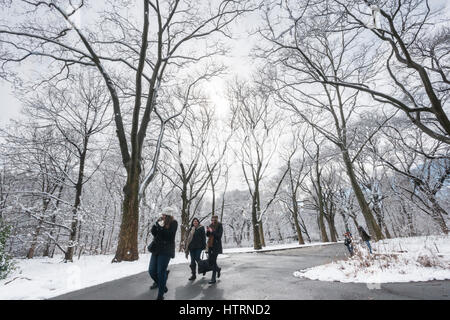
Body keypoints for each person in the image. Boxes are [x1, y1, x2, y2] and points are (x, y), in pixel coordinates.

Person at [148, 208, 178, 300]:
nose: (162, 216)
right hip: (156, 249)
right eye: (162, 214)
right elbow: (154, 233)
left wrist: (161, 228)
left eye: (164, 215)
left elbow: (170, 236)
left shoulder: (174, 223)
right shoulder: (161, 221)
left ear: (168, 215)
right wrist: (156, 225)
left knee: (160, 272)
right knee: (152, 271)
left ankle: (160, 295)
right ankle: (162, 285)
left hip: (166, 250)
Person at [206, 215, 223, 285]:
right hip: (210, 245)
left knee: (213, 261)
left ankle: (213, 278)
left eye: (214, 220)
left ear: (216, 220)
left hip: (216, 246)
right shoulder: (210, 225)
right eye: (212, 220)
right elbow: (207, 235)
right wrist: (207, 231)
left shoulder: (219, 226)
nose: (212, 221)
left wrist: (212, 231)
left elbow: (219, 236)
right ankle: (218, 269)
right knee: (211, 261)